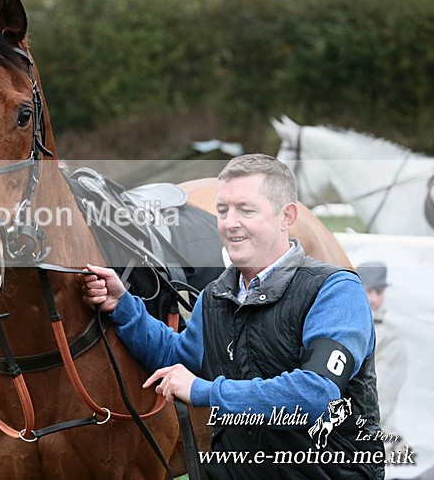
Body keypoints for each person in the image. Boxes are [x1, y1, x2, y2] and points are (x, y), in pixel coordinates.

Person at [83, 154, 383, 479]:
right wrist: (124, 306)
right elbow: (177, 357)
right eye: (223, 210)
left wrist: (205, 391)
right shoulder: (215, 296)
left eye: (246, 210)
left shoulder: (335, 290)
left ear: (287, 216)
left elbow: (314, 394)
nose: (230, 223)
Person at [357, 261, 407, 446]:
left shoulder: (390, 337)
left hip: (379, 442)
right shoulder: (341, 327)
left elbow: (379, 400)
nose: (373, 299)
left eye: (378, 292)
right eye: (368, 290)